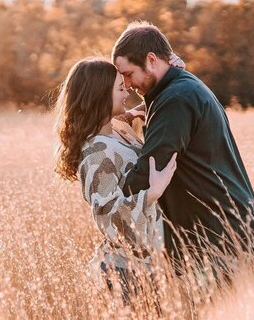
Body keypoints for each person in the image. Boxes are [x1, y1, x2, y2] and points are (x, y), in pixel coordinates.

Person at [112, 22, 254, 286]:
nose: (126, 84)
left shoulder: (176, 99)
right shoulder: (180, 87)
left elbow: (150, 169)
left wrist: (109, 201)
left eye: (128, 74)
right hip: (227, 232)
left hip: (220, 240)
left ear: (151, 60)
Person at [53, 56, 178, 301]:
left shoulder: (115, 130)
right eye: (120, 89)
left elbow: (117, 138)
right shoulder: (96, 154)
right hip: (124, 272)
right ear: (99, 96)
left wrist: (166, 72)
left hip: (144, 268)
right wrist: (153, 193)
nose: (126, 93)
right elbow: (107, 214)